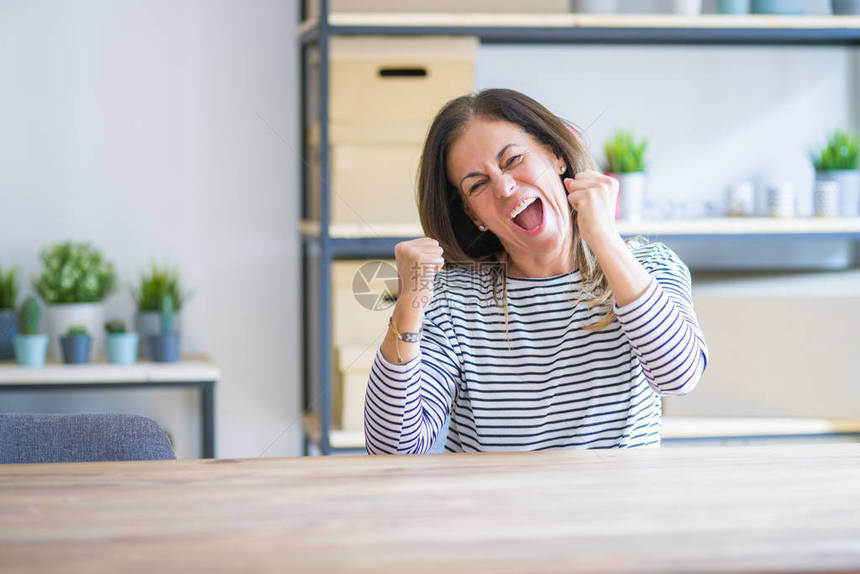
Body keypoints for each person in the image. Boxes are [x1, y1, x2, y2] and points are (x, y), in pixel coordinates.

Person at [364, 88, 709, 454]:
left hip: (617, 508)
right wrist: (409, 304)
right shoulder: (451, 299)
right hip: (493, 509)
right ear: (473, 215)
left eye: (512, 159)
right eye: (477, 184)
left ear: (557, 155)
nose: (504, 186)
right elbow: (392, 449)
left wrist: (605, 239)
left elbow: (680, 376)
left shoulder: (650, 265)